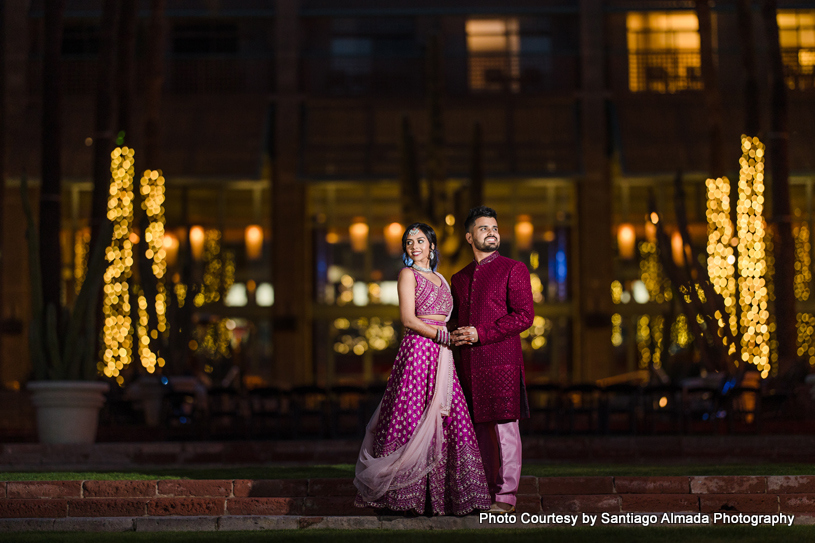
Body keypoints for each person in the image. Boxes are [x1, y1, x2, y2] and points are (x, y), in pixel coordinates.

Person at [353, 223, 491, 516]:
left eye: (420, 241)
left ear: (431, 245)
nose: (414, 246)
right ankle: (405, 497)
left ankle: (448, 497)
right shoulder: (407, 274)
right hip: (419, 351)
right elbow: (408, 319)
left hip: (442, 354)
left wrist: (455, 335)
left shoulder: (441, 277)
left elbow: (446, 319)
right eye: (408, 242)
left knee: (450, 417)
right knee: (413, 415)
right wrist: (440, 335)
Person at [450, 206, 534, 514]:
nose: (492, 232)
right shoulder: (458, 278)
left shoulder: (514, 268)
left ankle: (506, 496)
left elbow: (525, 316)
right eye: (484, 228)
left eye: (495, 228)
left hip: (502, 362)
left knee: (505, 429)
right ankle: (482, 493)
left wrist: (478, 333)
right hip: (470, 365)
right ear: (470, 237)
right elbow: (456, 320)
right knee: (478, 431)